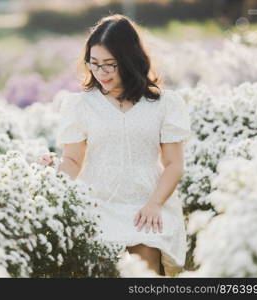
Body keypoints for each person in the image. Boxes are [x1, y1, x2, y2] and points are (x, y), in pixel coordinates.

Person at [38, 14, 193, 277]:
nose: (100, 73)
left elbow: (174, 165)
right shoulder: (80, 105)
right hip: (99, 205)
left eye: (109, 64)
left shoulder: (165, 104)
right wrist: (52, 181)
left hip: (149, 203)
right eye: (94, 64)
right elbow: (73, 161)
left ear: (130, 60)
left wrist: (155, 203)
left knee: (146, 268)